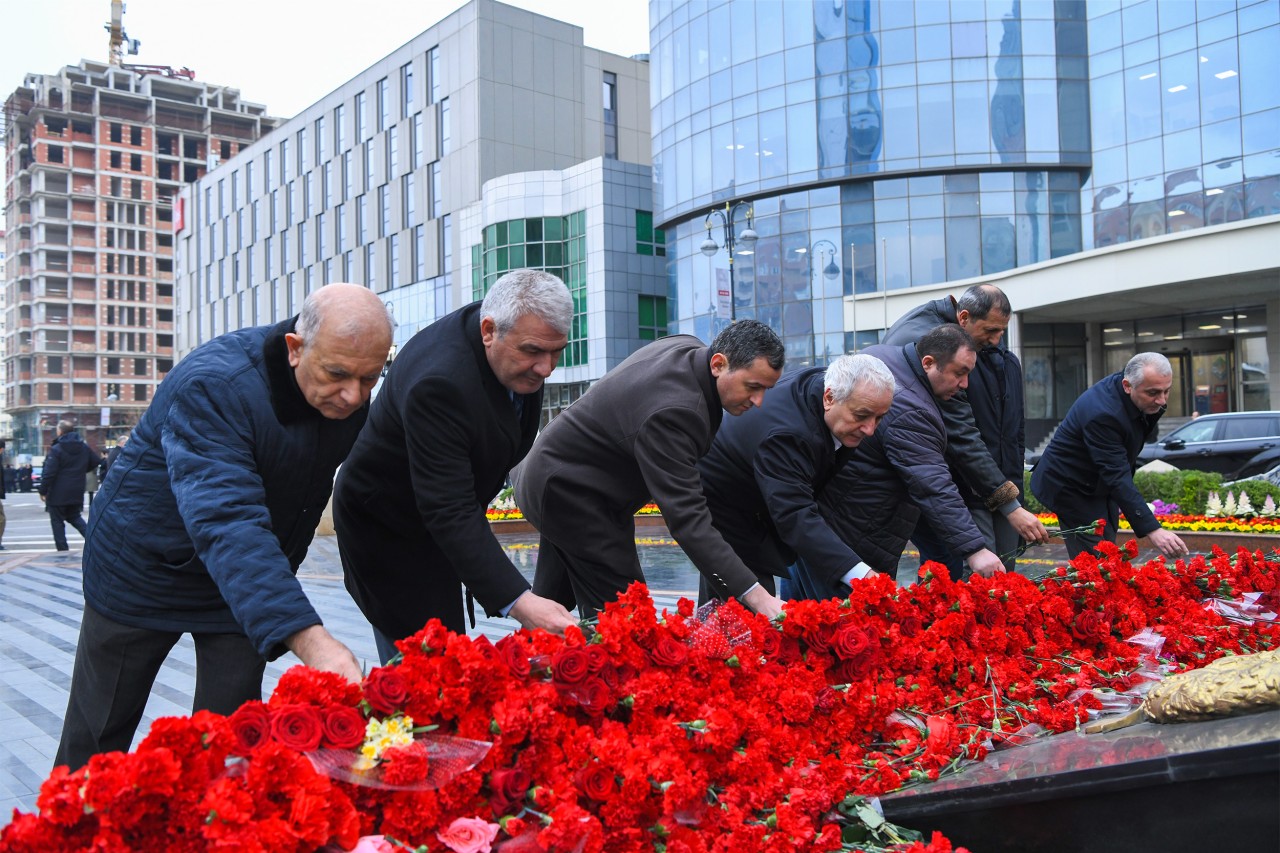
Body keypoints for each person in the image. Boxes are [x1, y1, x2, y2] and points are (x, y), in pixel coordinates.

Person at [54, 283, 393, 771]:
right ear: (295, 350)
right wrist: (312, 639)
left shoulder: (346, 393)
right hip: (140, 570)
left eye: (369, 379)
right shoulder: (216, 384)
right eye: (338, 374)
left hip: (240, 585)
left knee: (230, 744)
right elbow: (227, 517)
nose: (353, 396)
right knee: (97, 736)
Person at [335, 269, 578, 664]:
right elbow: (449, 507)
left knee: (447, 654)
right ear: (489, 331)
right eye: (533, 351)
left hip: (434, 521)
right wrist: (520, 602)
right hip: (388, 531)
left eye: (556, 352)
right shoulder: (440, 383)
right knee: (426, 667)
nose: (546, 368)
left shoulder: (511, 340)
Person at [515, 320, 786, 619]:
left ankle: (522, 663)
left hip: (557, 477)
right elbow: (688, 521)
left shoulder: (687, 348)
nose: (759, 401)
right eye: (753, 387)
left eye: (766, 389)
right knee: (630, 622)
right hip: (570, 493)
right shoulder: (678, 412)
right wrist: (758, 597)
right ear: (718, 364)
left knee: (549, 614)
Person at [798, 325, 1007, 599]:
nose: (965, 384)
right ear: (929, 363)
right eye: (960, 372)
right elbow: (932, 484)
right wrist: (975, 550)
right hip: (851, 540)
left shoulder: (883, 356)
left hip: (825, 530)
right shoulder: (911, 409)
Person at [695, 352, 896, 605]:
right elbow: (794, 514)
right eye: (861, 416)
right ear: (830, 398)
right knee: (751, 610)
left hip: (753, 496)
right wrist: (863, 576)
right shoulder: (789, 436)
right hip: (725, 503)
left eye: (880, 417)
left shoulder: (828, 386)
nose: (871, 429)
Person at [881, 285, 1049, 578]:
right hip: (919, 480)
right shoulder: (938, 344)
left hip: (934, 479)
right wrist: (1010, 505)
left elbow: (1009, 434)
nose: (997, 341)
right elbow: (962, 436)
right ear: (964, 317)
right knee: (950, 569)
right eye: (991, 330)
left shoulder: (955, 338)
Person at [1031, 353, 1189, 560]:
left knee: (1106, 552)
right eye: (1153, 393)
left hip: (1098, 483)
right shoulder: (1103, 414)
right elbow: (1116, 474)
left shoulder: (1136, 390)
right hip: (1071, 486)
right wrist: (1153, 530)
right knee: (1095, 562)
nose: (1161, 400)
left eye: (1166, 391)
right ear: (1127, 385)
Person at [39, 421, 101, 552]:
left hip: (57, 491)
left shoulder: (57, 448)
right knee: (74, 516)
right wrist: (80, 470)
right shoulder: (83, 447)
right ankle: (94, 540)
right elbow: (96, 461)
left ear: (60, 431)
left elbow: (49, 472)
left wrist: (43, 490)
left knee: (57, 522)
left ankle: (62, 550)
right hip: (76, 488)